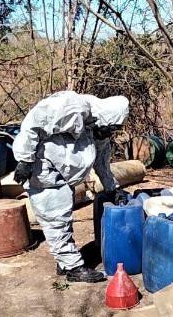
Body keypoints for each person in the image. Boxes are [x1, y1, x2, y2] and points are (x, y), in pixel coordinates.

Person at [12, 91, 129, 283]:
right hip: (45, 168)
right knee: (56, 217)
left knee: (62, 217)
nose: (110, 132)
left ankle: (65, 260)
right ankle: (73, 269)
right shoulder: (73, 106)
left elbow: (102, 163)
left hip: (63, 175)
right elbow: (35, 122)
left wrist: (112, 188)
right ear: (106, 117)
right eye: (111, 127)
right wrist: (25, 159)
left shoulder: (98, 130)